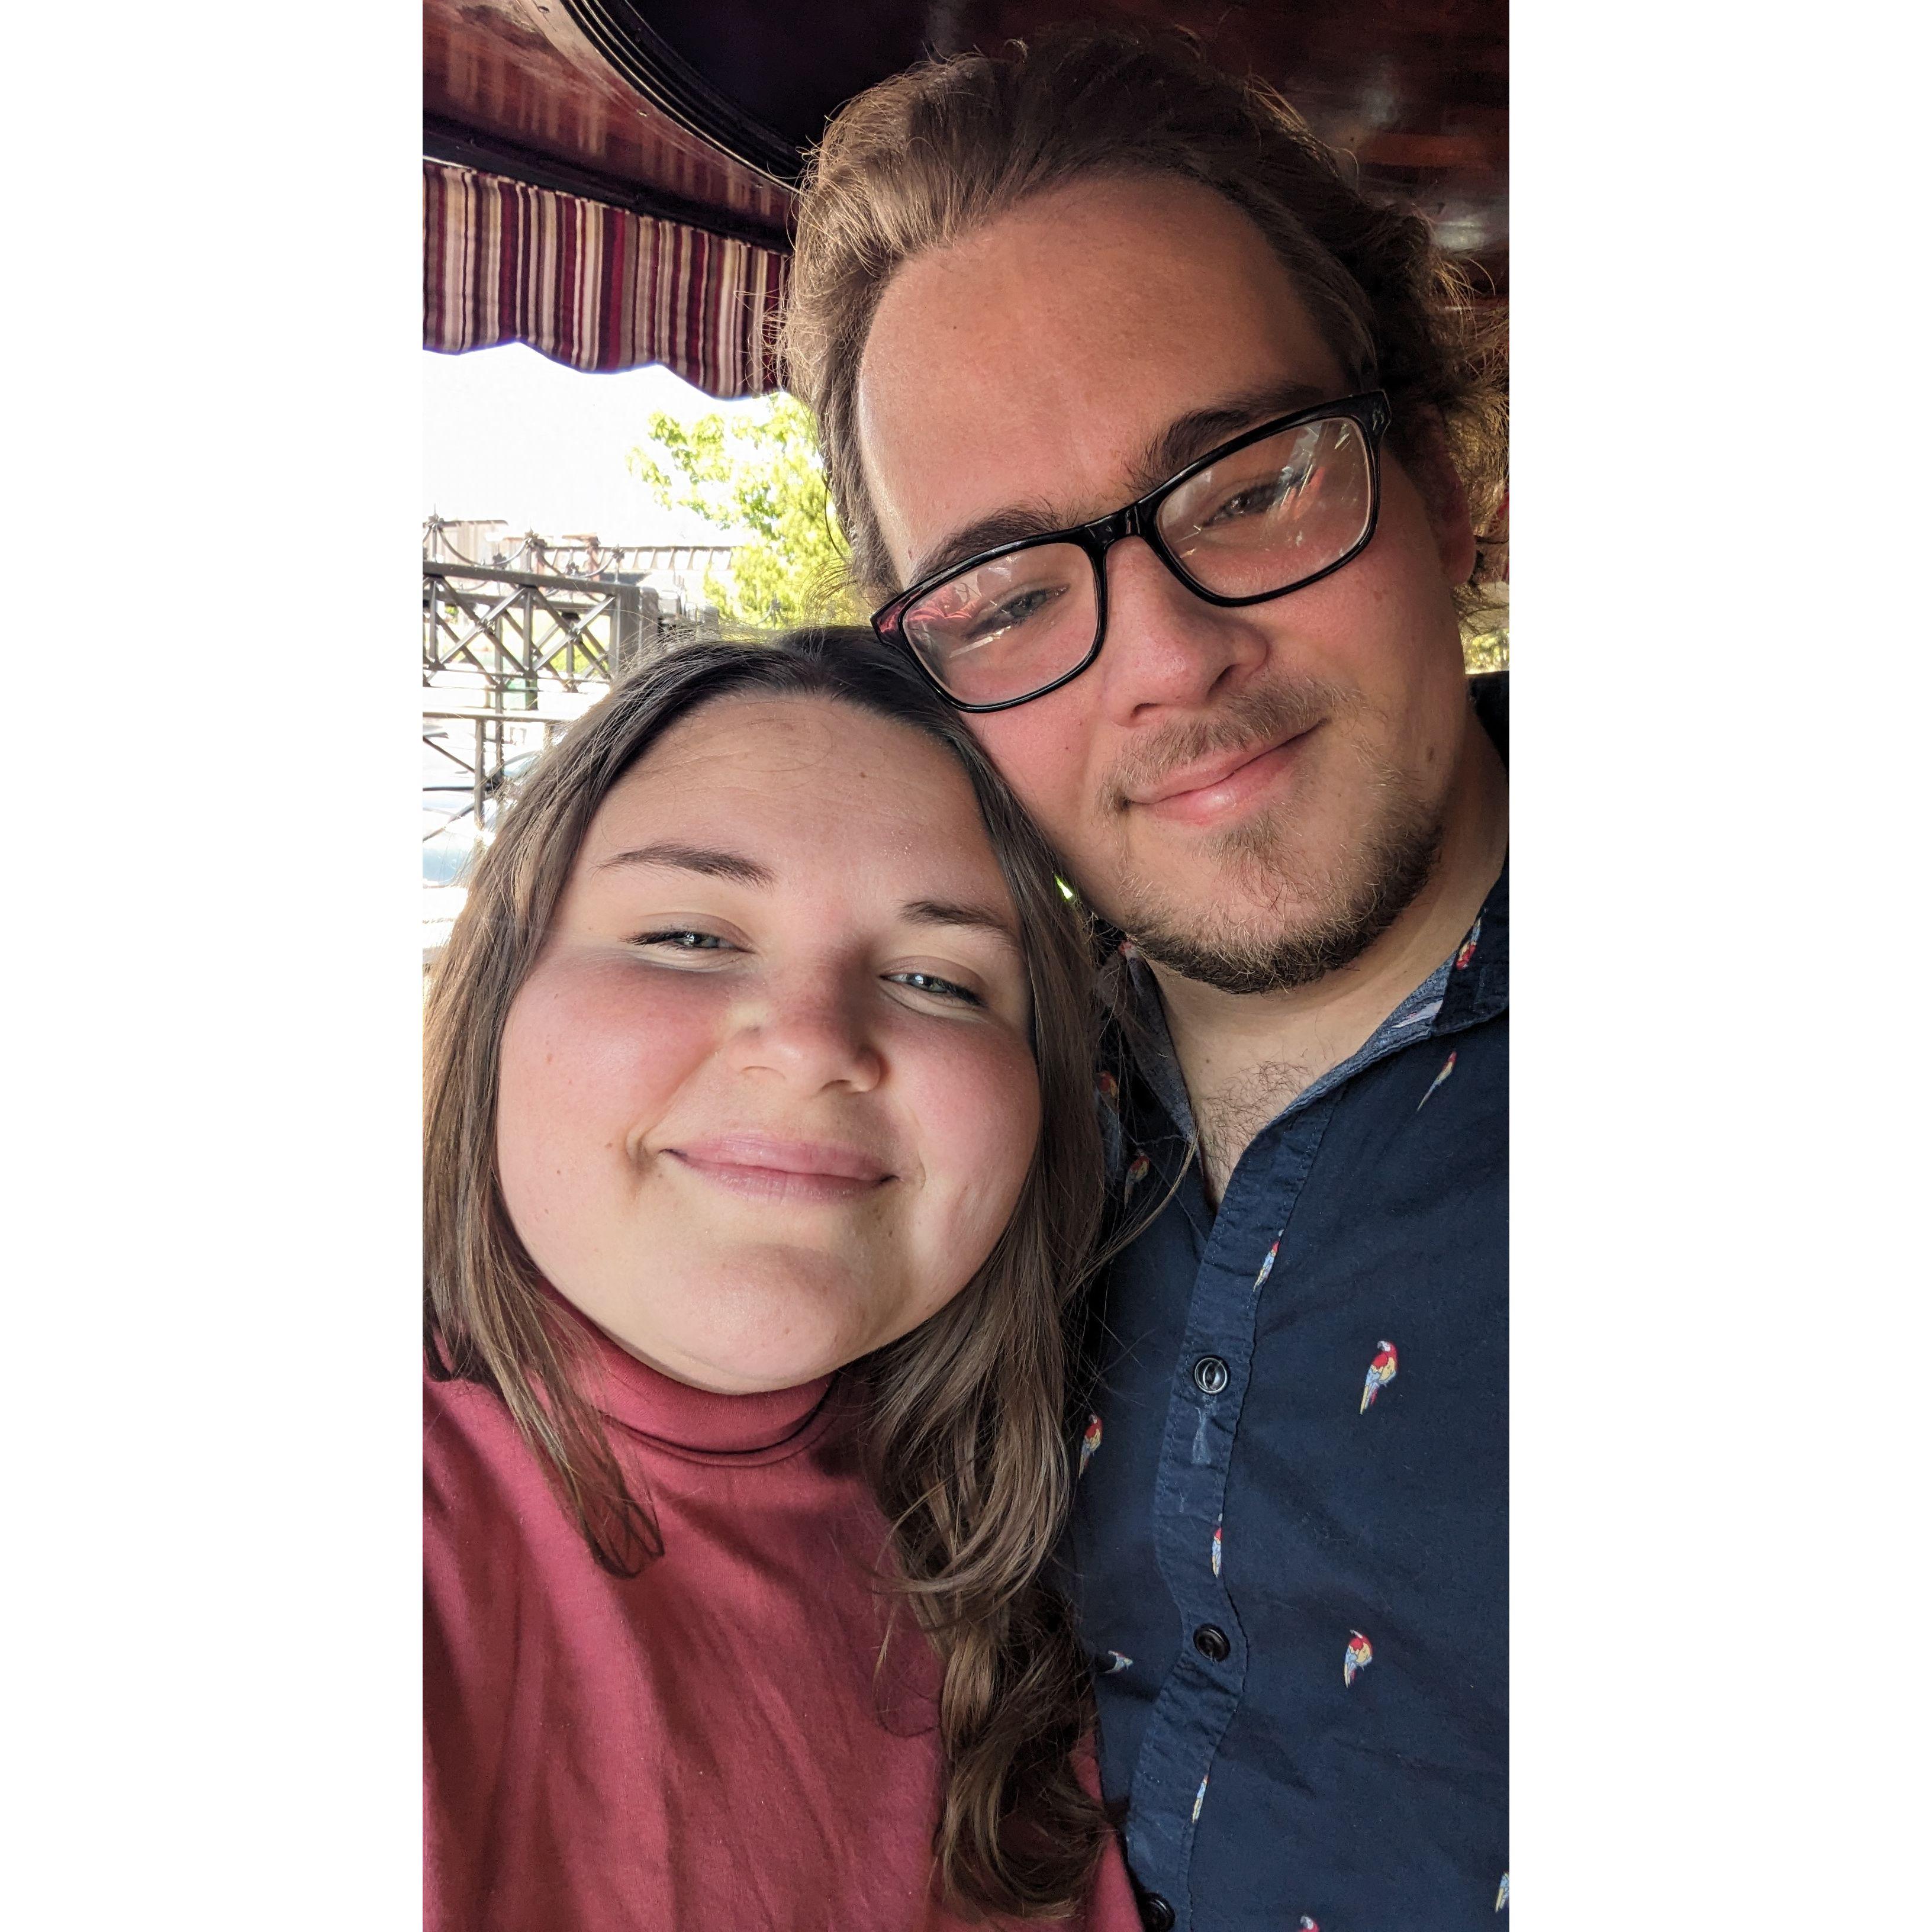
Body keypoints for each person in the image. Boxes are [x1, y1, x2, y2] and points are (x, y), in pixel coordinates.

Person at [783, 28, 1509, 1931]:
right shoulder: (948, 1127)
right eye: (1010, 596)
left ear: (1443, 485)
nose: (1170, 658)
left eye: (1249, 485)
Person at [422, 632, 1142, 1930]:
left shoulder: (1077, 1546)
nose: (811, 1044)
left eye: (934, 979)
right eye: (689, 935)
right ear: (498, 1001)